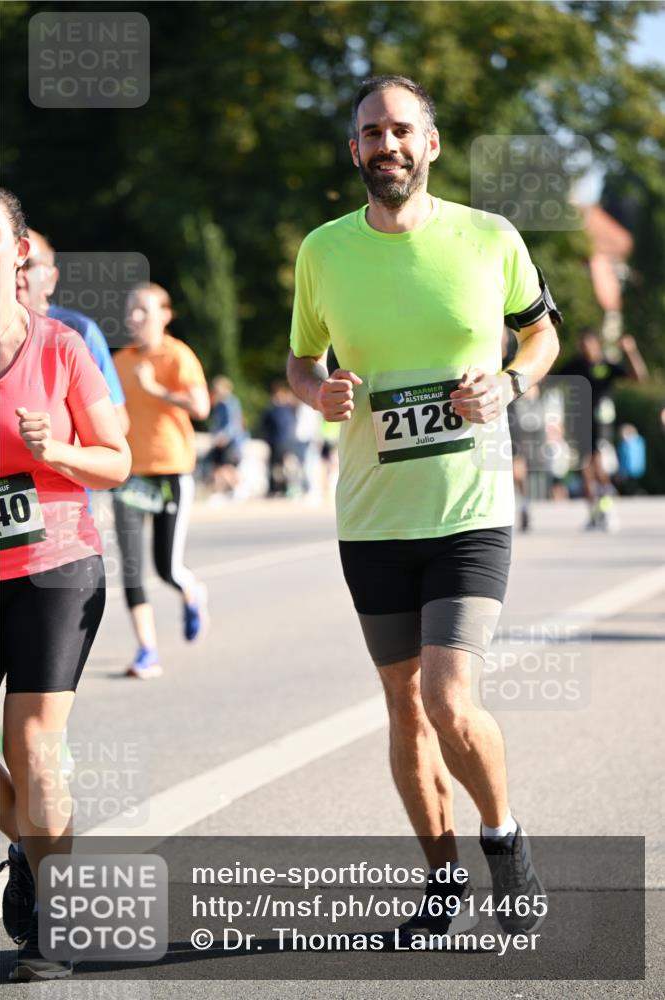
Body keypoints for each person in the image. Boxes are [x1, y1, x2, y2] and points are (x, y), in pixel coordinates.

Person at [287, 76, 561, 941]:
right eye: (371, 133)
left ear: (431, 145)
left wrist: (512, 381)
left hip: (469, 511)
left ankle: (503, 839)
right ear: (355, 150)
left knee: (448, 698)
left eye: (401, 130)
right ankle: (441, 882)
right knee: (403, 708)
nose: (386, 145)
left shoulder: (488, 237)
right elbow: (300, 360)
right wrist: (316, 394)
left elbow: (541, 329)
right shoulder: (322, 252)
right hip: (371, 517)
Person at [0, 188, 131, 981]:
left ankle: (53, 922)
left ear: (16, 254)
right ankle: (29, 845)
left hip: (54, 568)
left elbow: (115, 462)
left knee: (36, 748)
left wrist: (56, 451)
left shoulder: (61, 349)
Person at [112, 282, 211, 678]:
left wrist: (156, 389)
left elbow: (201, 407)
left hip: (170, 470)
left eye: (144, 311)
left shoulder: (177, 355)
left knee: (166, 566)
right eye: (130, 310)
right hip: (130, 476)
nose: (134, 318)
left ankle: (191, 591)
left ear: (165, 315)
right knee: (132, 568)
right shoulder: (118, 361)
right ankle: (147, 650)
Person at [15, 229, 129, 434]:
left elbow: (118, 421)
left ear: (51, 278)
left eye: (29, 265)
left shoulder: (79, 331)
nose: (19, 274)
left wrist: (59, 445)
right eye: (12, 265)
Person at [560, 328, 647, 530]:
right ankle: (594, 514)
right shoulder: (577, 364)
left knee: (599, 465)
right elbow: (550, 377)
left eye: (587, 344)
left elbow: (639, 377)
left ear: (596, 344)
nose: (584, 348)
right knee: (585, 471)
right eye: (581, 345)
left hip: (601, 421)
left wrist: (631, 351)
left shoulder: (607, 366)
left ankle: (608, 509)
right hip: (580, 423)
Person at [206, 375, 244, 501]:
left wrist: (223, 436)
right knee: (217, 467)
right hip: (221, 440)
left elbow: (233, 423)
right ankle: (220, 491)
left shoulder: (230, 403)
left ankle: (237, 488)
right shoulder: (220, 404)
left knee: (225, 467)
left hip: (228, 441)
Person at [262, 381, 297, 497]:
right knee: (274, 467)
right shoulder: (274, 409)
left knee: (284, 467)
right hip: (276, 441)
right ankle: (274, 488)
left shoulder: (286, 409)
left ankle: (285, 488)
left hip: (284, 441)